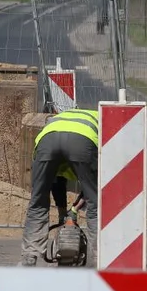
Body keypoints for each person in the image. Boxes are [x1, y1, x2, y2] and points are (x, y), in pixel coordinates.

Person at [19, 108, 99, 266]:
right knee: (95, 203)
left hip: (48, 140)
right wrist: (72, 213)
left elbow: (55, 181)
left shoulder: (60, 118)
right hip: (82, 141)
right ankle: (99, 256)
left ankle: (30, 254)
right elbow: (94, 183)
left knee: (38, 200)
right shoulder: (100, 119)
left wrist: (66, 214)